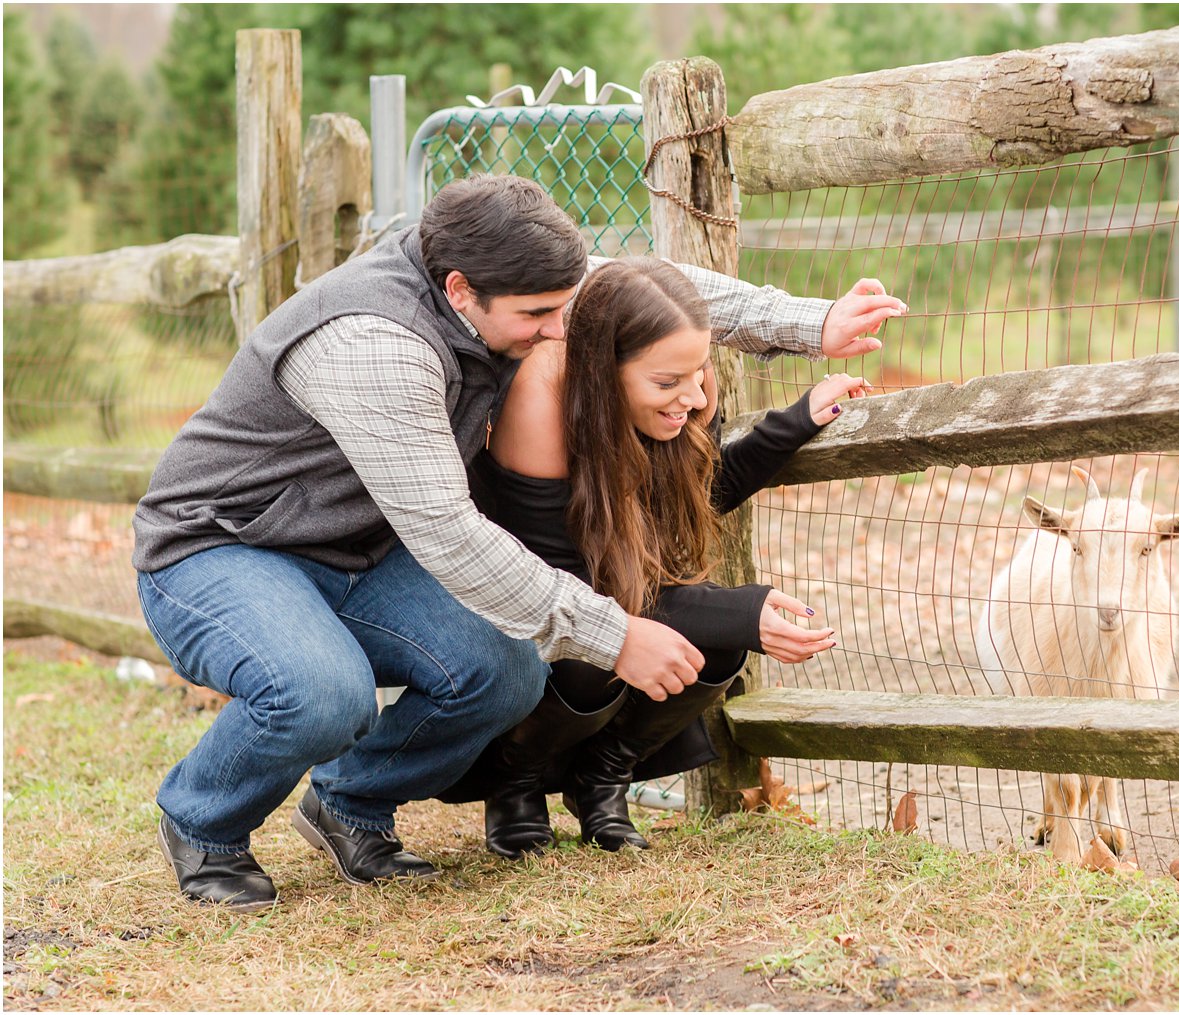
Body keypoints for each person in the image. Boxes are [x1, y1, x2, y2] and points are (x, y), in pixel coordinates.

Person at [132, 173, 906, 912]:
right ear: (462, 290)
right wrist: (616, 632)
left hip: (363, 550)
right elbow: (450, 534)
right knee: (321, 691)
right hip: (223, 549)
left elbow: (644, 292)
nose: (559, 332)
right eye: (538, 316)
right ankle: (205, 825)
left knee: (503, 669)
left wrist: (811, 325)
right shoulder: (376, 345)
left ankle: (350, 802)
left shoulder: (515, 274)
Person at [438, 258, 869, 855]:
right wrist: (735, 610)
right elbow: (574, 592)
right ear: (600, 373)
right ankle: (515, 783)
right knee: (596, 651)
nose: (693, 397)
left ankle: (602, 779)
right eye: (668, 383)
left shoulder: (687, 384)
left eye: (701, 374)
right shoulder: (539, 406)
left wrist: (794, 423)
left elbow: (699, 489)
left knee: (717, 636)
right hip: (530, 613)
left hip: (606, 590)